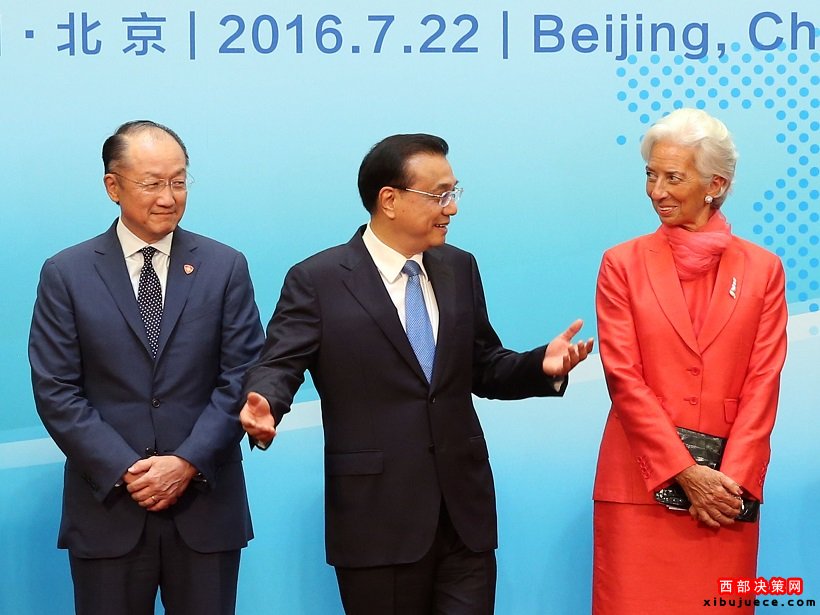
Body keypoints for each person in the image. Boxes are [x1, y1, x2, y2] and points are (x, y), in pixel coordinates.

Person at [241, 133, 594, 614]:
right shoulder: (319, 279)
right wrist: (265, 403)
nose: (452, 208)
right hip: (376, 519)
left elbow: (483, 365)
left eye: (454, 192)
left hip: (463, 517)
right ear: (389, 199)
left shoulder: (458, 267)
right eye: (439, 195)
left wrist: (540, 367)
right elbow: (279, 364)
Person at [28, 120, 265, 615]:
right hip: (109, 508)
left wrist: (186, 462)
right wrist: (126, 469)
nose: (168, 197)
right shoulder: (67, 273)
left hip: (205, 505)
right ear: (113, 186)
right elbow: (56, 389)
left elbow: (242, 375)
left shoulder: (224, 266)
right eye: (152, 183)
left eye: (179, 182)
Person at [592, 108, 788, 614]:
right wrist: (684, 471)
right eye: (650, 175)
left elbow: (763, 383)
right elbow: (624, 378)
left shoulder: (763, 270)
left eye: (673, 177)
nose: (656, 191)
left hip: (725, 496)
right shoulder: (621, 264)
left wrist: (729, 483)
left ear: (715, 185)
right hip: (640, 486)